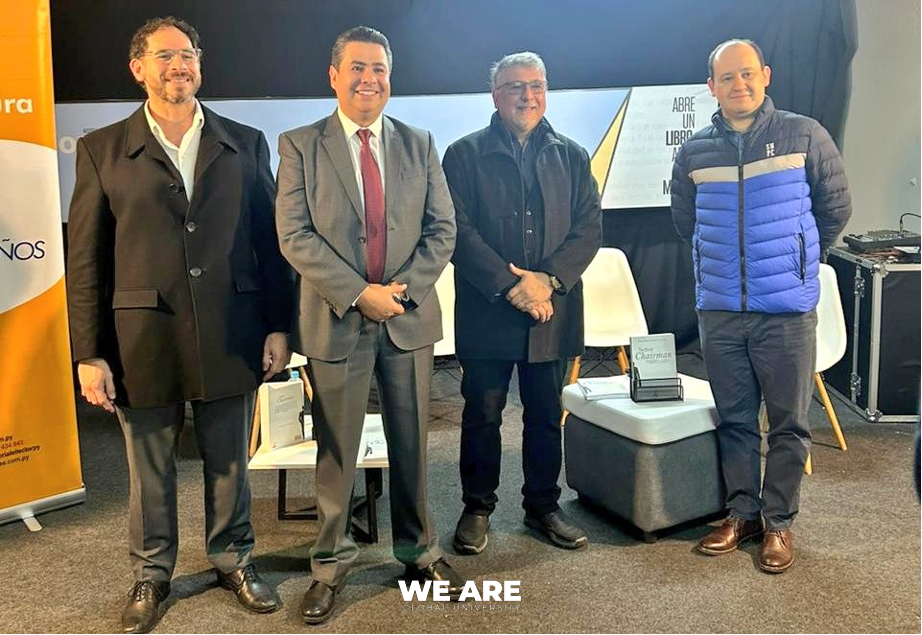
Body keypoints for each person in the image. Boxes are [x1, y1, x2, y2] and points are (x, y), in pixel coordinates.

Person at [66, 16, 292, 633]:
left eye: (187, 54)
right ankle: (151, 572)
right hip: (140, 334)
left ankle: (233, 559)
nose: (179, 66)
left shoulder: (244, 141)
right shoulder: (101, 149)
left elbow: (269, 243)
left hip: (232, 324)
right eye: (164, 56)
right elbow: (85, 258)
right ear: (138, 68)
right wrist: (89, 351)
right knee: (150, 467)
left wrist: (279, 325)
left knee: (229, 460)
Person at [274, 26, 460, 624]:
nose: (368, 79)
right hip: (337, 319)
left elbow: (442, 229)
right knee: (337, 451)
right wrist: (359, 294)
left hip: (407, 317)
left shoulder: (419, 143)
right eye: (357, 67)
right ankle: (330, 565)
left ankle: (418, 553)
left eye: (379, 68)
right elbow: (294, 235)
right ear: (334, 76)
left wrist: (398, 293)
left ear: (390, 77)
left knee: (412, 443)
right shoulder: (300, 145)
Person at [670, 38, 851, 573]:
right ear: (712, 86)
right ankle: (742, 514)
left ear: (765, 75)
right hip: (721, 310)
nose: (739, 84)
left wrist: (797, 257)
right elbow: (685, 221)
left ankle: (778, 522)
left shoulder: (805, 134)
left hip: (786, 312)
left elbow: (835, 208)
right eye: (727, 77)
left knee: (790, 424)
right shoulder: (694, 151)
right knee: (735, 420)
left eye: (747, 73)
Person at [442, 52, 601, 554]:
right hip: (487, 308)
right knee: (482, 414)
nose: (527, 96)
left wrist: (546, 281)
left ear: (545, 92)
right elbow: (456, 231)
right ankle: (477, 507)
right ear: (496, 96)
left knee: (545, 414)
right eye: (515, 86)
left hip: (550, 308)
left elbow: (588, 229)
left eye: (536, 86)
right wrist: (511, 286)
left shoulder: (573, 155)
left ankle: (543, 506)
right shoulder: (462, 155)